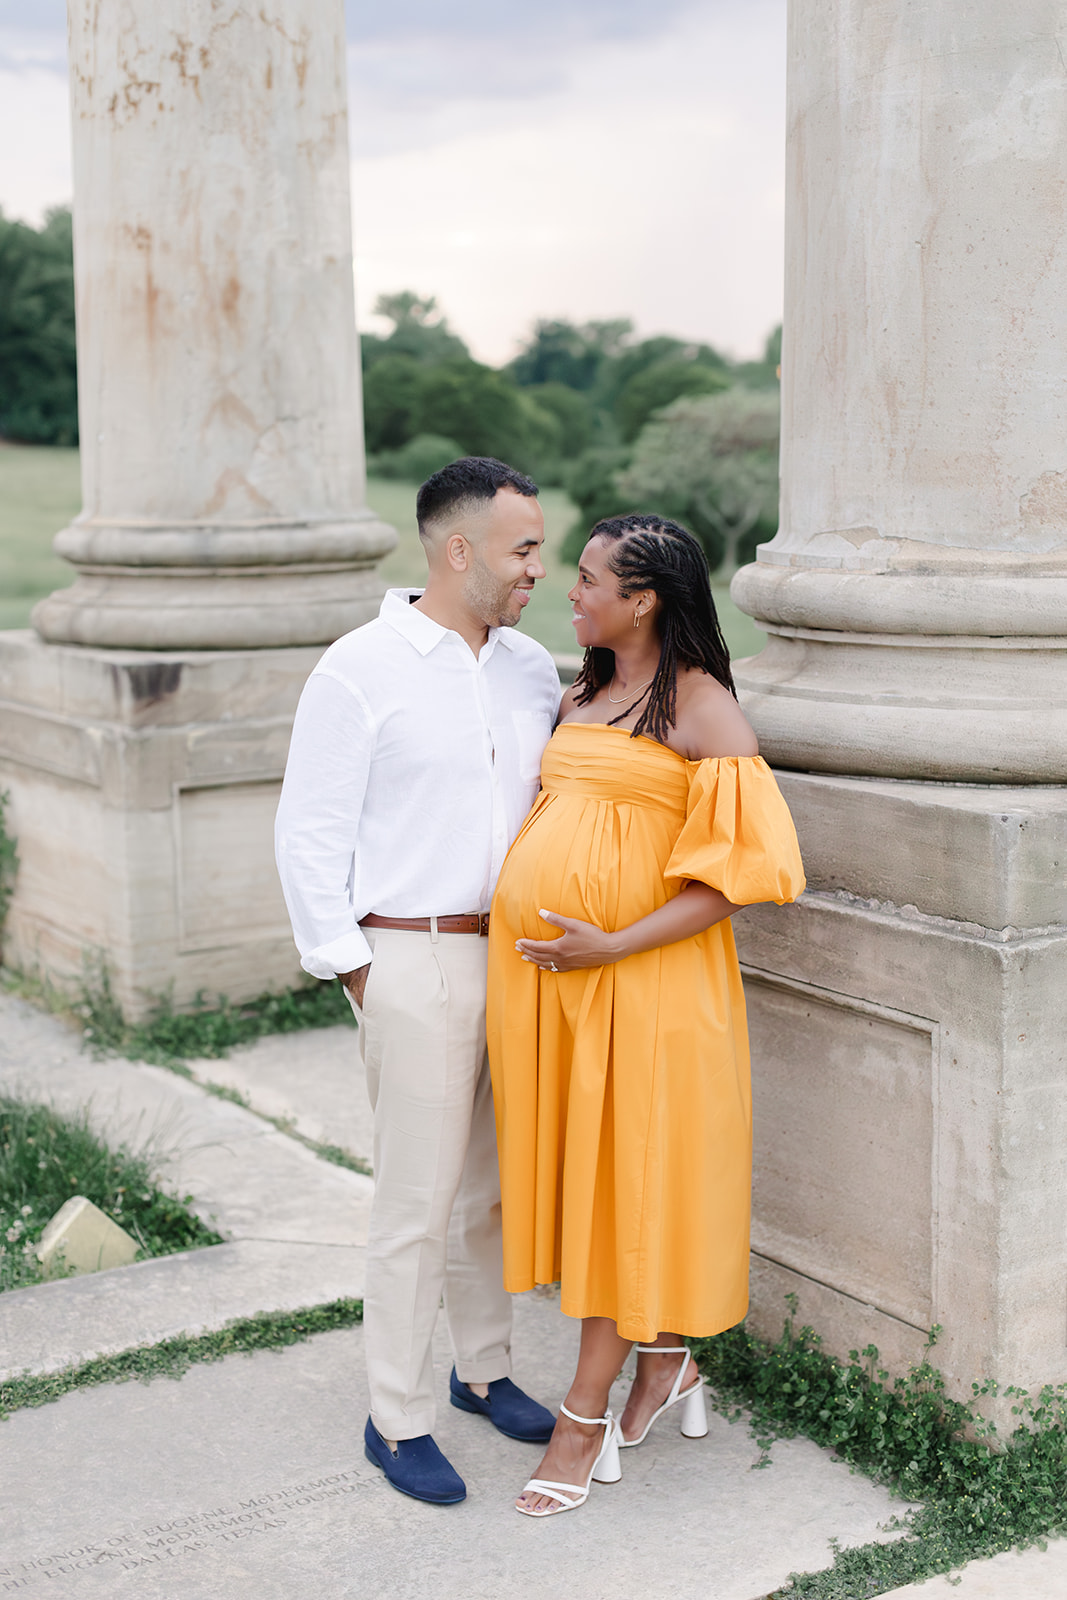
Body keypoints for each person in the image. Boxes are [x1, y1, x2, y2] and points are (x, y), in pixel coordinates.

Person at [486, 513, 806, 1517]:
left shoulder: (703, 709)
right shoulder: (579, 687)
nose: (565, 592)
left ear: (644, 599)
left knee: (624, 1194)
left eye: (585, 580)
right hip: (563, 991)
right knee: (594, 1190)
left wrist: (612, 942)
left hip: (650, 988)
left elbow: (745, 878)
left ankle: (583, 1416)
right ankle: (665, 1362)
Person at [275, 457, 562, 1507]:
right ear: (458, 550)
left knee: (488, 1189)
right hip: (409, 954)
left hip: (516, 958)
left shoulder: (531, 667)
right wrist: (357, 971)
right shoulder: (357, 669)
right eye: (523, 548)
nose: (539, 565)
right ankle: (394, 1419)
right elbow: (307, 833)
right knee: (415, 1201)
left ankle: (482, 1368)